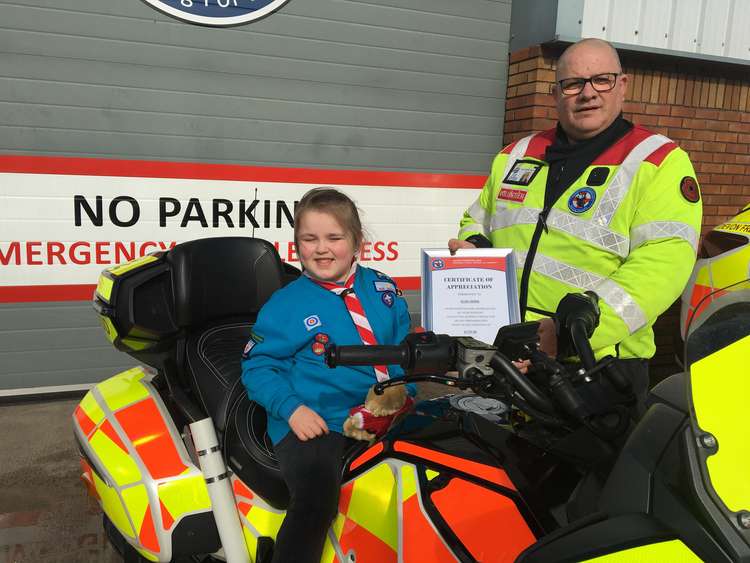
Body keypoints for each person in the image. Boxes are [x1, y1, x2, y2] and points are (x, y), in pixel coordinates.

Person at [449, 38, 703, 405]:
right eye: (573, 83)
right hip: (510, 355)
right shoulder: (516, 155)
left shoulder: (658, 162)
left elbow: (665, 263)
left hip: (596, 366)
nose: (587, 93)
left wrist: (571, 332)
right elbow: (475, 219)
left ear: (623, 85)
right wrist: (480, 249)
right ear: (556, 93)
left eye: (601, 79)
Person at [241, 187, 411, 563]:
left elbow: (403, 348)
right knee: (316, 499)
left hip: (385, 411)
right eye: (309, 238)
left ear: (357, 243)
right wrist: (293, 410)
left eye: (334, 237)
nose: (322, 248)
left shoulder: (383, 289)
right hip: (319, 421)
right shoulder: (286, 304)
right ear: (296, 245)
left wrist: (403, 389)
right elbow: (258, 366)